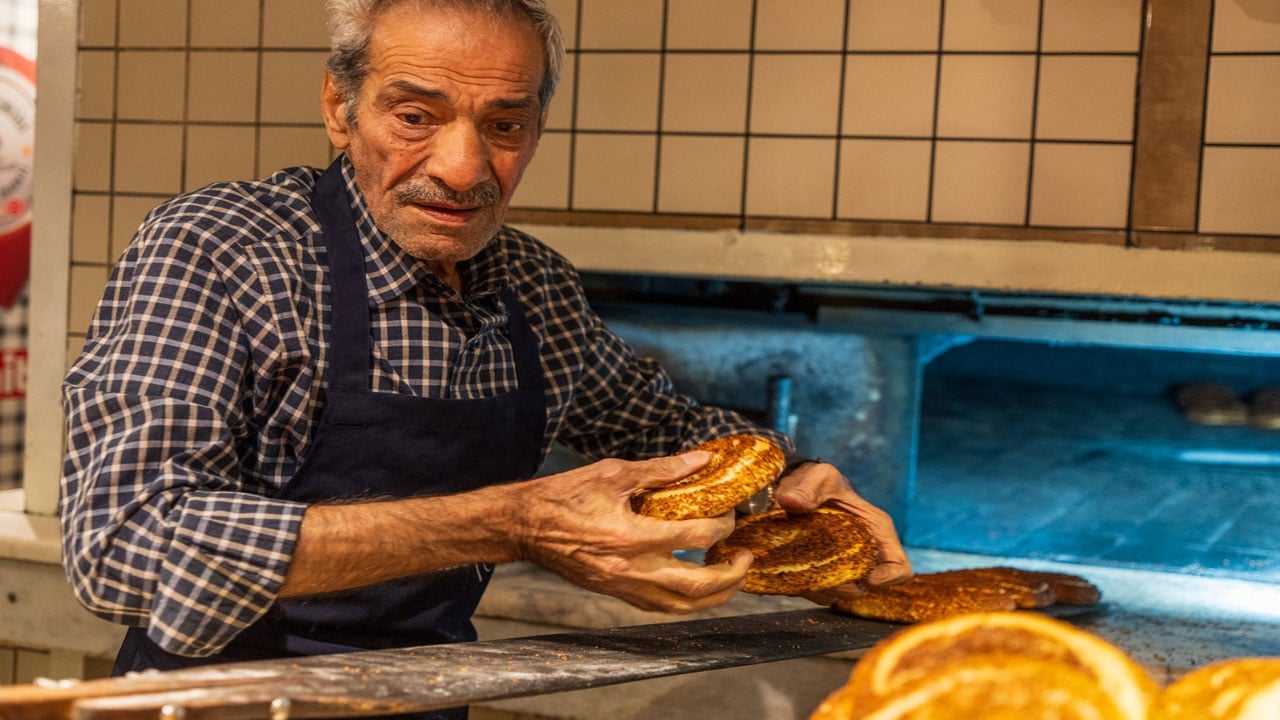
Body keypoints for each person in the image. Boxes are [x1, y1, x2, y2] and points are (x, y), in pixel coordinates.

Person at [59, 0, 911, 715]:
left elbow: (667, 432)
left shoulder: (532, 287)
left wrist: (794, 480)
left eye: (504, 124)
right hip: (223, 705)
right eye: (416, 116)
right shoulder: (221, 249)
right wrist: (513, 523)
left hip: (426, 701)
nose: (464, 168)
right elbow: (124, 545)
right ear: (339, 108)